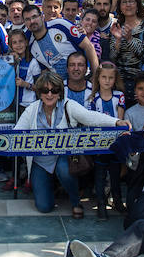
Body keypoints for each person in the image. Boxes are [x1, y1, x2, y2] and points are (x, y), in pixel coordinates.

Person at [9, 70, 129, 218]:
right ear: (39, 92)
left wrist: (116, 122)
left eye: (54, 90)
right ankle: (52, 187)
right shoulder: (31, 110)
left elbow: (90, 117)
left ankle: (75, 201)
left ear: (60, 92)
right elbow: (15, 135)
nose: (50, 94)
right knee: (44, 207)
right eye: (45, 90)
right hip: (40, 162)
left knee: (64, 170)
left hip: (64, 158)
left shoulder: (68, 105)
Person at [88, 62, 126, 221]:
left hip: (116, 142)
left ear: (115, 79)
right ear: (98, 78)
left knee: (115, 173)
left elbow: (120, 120)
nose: (107, 81)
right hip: (100, 142)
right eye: (104, 77)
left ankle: (117, 200)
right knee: (100, 174)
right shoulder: (94, 98)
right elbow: (92, 120)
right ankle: (101, 204)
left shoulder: (119, 96)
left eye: (110, 78)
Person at [23, 4, 98, 79]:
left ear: (42, 16)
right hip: (60, 84)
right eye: (27, 19)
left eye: (34, 17)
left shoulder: (60, 25)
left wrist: (95, 76)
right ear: (24, 22)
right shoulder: (29, 43)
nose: (32, 21)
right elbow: (44, 70)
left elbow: (88, 46)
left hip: (84, 78)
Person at [109, 0, 144, 107]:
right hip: (119, 82)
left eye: (131, 1)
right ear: (120, 7)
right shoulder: (117, 26)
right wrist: (118, 40)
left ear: (137, 5)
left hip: (141, 81)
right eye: (124, 2)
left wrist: (129, 39)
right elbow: (112, 58)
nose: (128, 5)